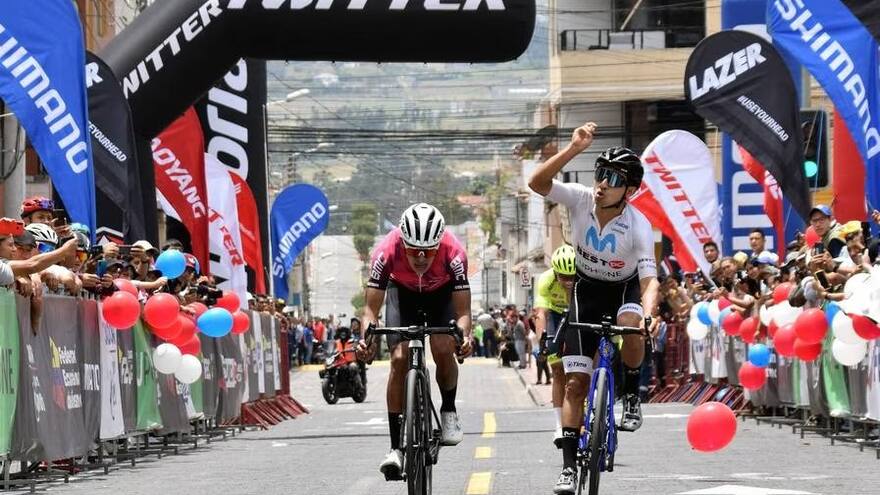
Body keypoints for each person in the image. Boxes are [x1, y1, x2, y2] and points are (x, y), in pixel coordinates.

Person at [528, 122, 659, 494]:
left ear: (630, 190)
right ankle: (569, 467)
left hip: (624, 289)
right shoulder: (582, 198)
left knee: (633, 324)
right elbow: (537, 184)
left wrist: (650, 314)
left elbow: (649, 280)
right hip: (585, 291)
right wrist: (572, 149)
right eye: (599, 173)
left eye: (612, 178)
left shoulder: (639, 225)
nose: (601, 183)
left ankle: (631, 394)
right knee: (574, 384)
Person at [356, 203, 473, 481]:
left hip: (441, 293)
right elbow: (370, 311)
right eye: (413, 250)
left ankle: (448, 409)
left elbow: (463, 313)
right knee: (398, 359)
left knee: (444, 346)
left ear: (439, 244)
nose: (421, 257)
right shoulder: (385, 252)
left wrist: (464, 337)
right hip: (402, 293)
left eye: (428, 251)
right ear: (403, 241)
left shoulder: (454, 253)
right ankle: (396, 448)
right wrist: (366, 340)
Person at [534, 244, 576, 447]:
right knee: (558, 370)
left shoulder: (583, 278)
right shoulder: (546, 280)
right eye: (563, 277)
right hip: (555, 314)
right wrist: (542, 339)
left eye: (572, 277)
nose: (568, 281)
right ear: (556, 272)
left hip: (578, 313)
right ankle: (559, 426)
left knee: (581, 368)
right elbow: (541, 313)